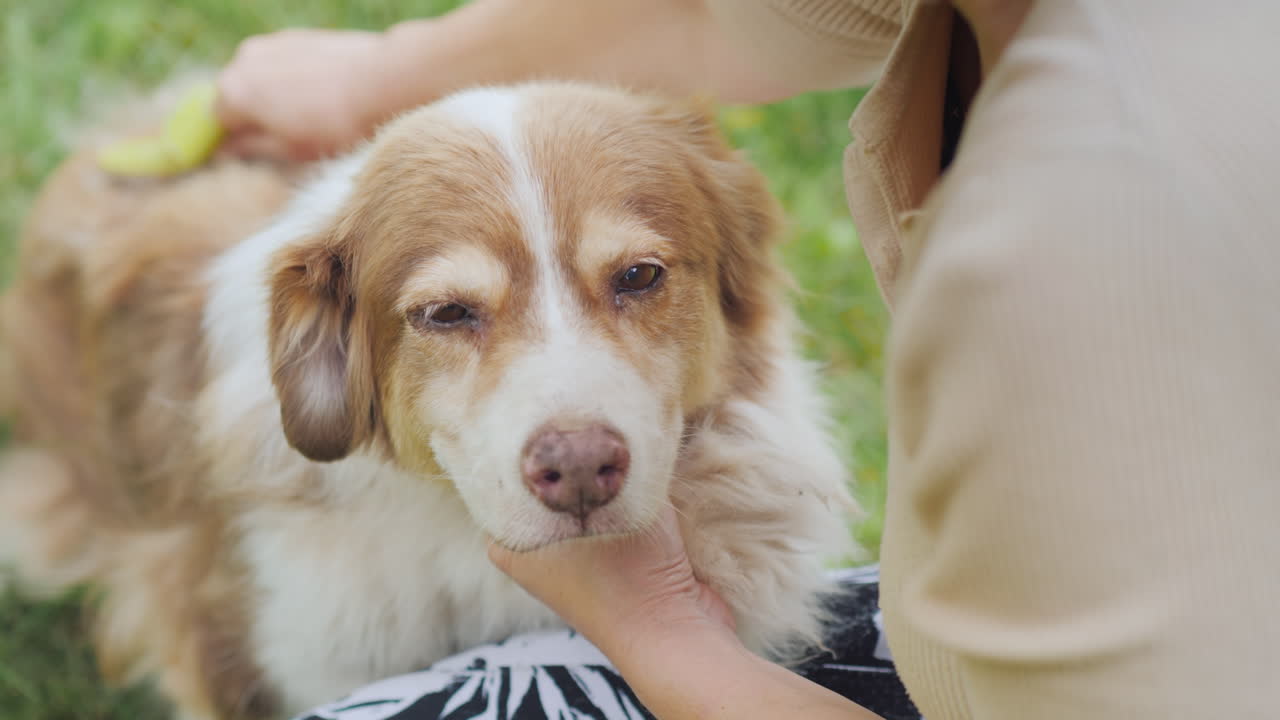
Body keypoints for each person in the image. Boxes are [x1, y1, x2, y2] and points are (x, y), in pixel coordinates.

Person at [217, 1, 1280, 719]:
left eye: (636, 280)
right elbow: (715, 8)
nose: (573, 434)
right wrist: (371, 75)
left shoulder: (1123, 237)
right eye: (452, 313)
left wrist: (661, 630)